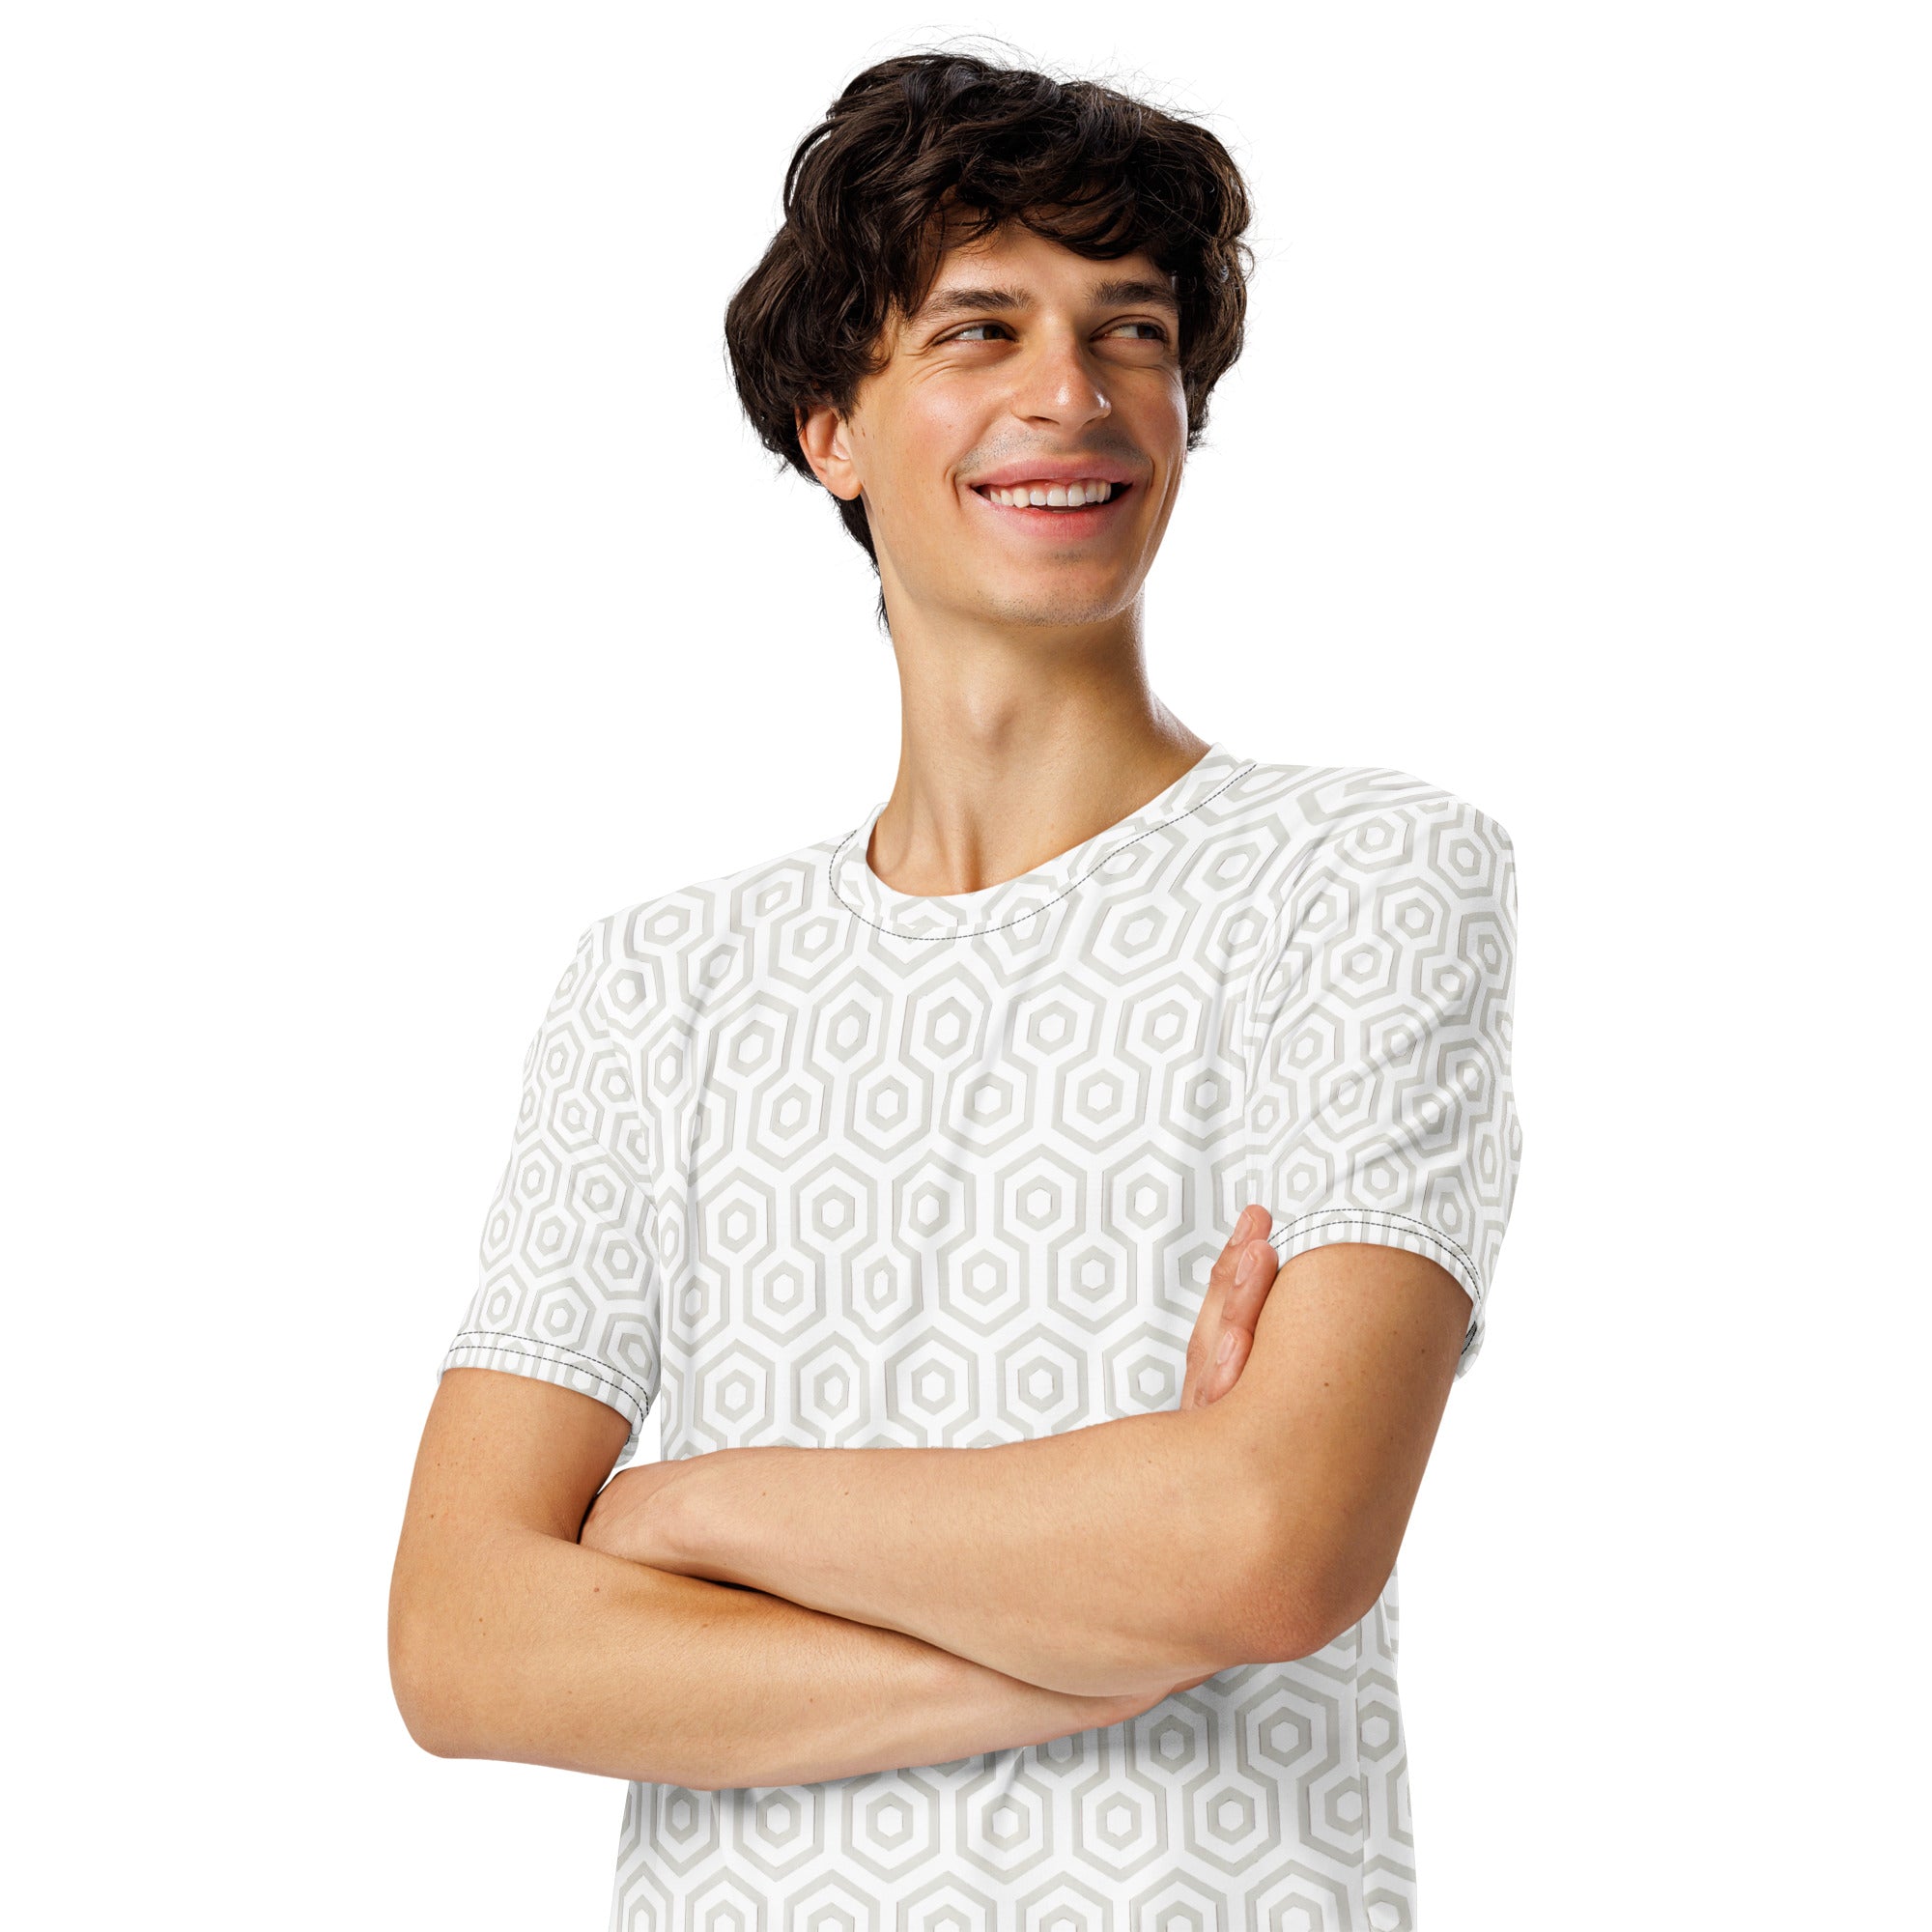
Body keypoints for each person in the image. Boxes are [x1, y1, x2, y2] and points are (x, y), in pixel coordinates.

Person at [388, 48, 1522, 1931]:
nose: (1072, 394)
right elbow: (461, 1639)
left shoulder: (1362, 876)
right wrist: (1102, 1639)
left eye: (1131, 331)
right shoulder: (660, 984)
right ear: (831, 425)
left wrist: (686, 1509)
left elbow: (1272, 1538)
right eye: (979, 330)